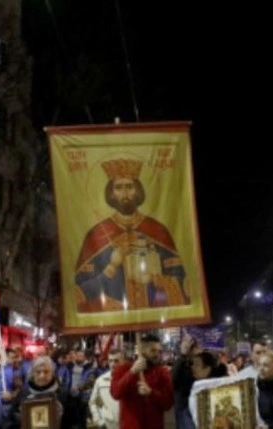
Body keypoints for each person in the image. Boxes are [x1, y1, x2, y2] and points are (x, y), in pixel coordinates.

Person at [74, 158, 189, 312]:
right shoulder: (96, 234)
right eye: (118, 188)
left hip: (152, 316)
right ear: (111, 193)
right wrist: (112, 267)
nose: (125, 193)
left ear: (138, 191)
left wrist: (156, 280)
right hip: (112, 318)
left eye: (129, 187)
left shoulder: (157, 230)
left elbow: (181, 281)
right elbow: (80, 291)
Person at [110, 334, 173, 429]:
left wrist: (151, 393)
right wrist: (132, 372)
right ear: (142, 350)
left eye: (159, 351)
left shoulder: (162, 372)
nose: (157, 354)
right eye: (153, 350)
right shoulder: (123, 369)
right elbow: (115, 393)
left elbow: (168, 403)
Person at [6, 356, 67, 429]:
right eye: (38, 372)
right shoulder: (23, 396)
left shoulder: (63, 395)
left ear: (52, 374)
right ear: (32, 374)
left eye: (46, 372)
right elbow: (10, 420)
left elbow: (74, 422)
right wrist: (21, 419)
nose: (42, 376)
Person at [89, 350, 122, 429]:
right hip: (108, 425)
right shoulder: (101, 381)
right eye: (110, 361)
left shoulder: (129, 380)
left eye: (116, 361)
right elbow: (93, 403)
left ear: (122, 361)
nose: (113, 364)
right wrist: (99, 421)